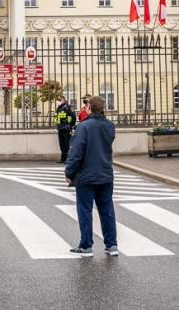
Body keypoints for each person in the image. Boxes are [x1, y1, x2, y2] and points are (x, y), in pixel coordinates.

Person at [65, 96, 117, 257]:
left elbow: (76, 152)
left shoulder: (84, 127)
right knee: (107, 209)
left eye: (86, 105)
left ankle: (86, 245)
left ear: (89, 107)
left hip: (86, 175)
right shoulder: (109, 126)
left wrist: (69, 172)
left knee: (85, 210)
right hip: (106, 174)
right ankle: (111, 245)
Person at [55, 96, 76, 164]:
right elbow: (57, 117)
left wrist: (70, 125)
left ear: (63, 100)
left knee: (68, 144)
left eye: (59, 100)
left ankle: (68, 159)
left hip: (66, 128)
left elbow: (73, 117)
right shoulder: (58, 108)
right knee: (62, 144)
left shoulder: (69, 107)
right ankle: (63, 158)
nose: (58, 101)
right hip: (60, 128)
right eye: (57, 100)